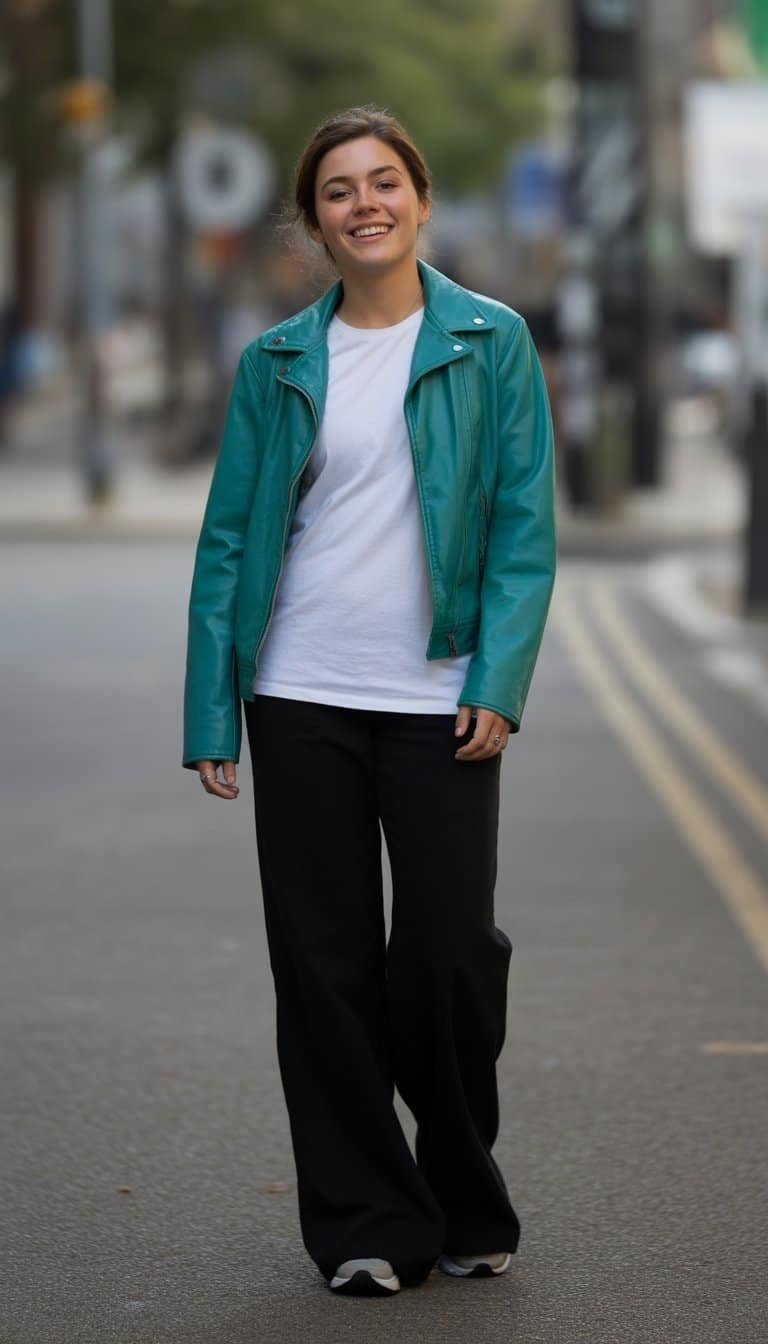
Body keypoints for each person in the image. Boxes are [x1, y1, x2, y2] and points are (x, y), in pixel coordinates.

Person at [182, 105, 557, 1297]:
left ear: (422, 198)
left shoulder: (493, 342)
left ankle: (459, 1185)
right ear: (316, 222)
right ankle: (363, 1219)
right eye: (339, 190)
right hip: (300, 692)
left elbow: (523, 535)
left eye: (383, 181)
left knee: (446, 955)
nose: (365, 204)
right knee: (323, 963)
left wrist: (498, 681)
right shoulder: (277, 361)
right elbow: (230, 542)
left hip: (441, 698)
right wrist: (213, 714)